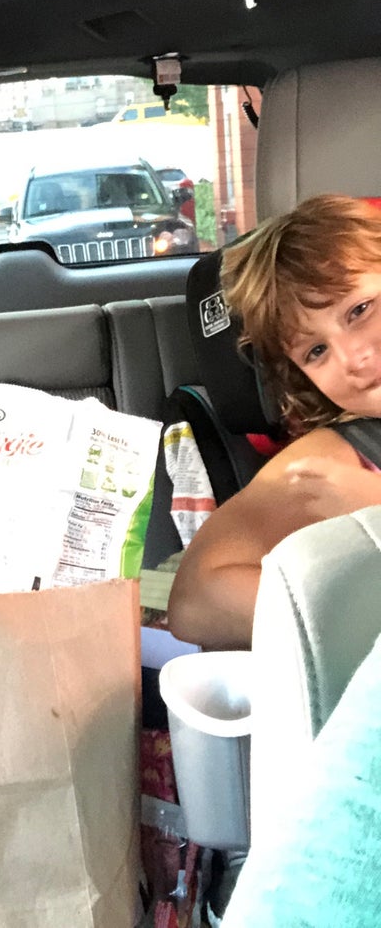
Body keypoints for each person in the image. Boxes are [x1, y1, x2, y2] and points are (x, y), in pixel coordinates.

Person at [168, 193, 381, 649]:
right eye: (316, 351)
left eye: (360, 310)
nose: (353, 358)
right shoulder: (340, 456)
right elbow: (196, 601)